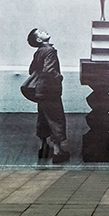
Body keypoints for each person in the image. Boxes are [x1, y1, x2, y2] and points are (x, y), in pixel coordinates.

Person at [26, 28, 69, 164]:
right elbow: (49, 70)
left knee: (43, 118)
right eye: (41, 32)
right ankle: (57, 152)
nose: (44, 31)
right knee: (56, 119)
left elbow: (31, 70)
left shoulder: (38, 52)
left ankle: (43, 148)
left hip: (40, 91)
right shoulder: (50, 51)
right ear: (39, 39)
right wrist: (59, 77)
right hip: (50, 91)